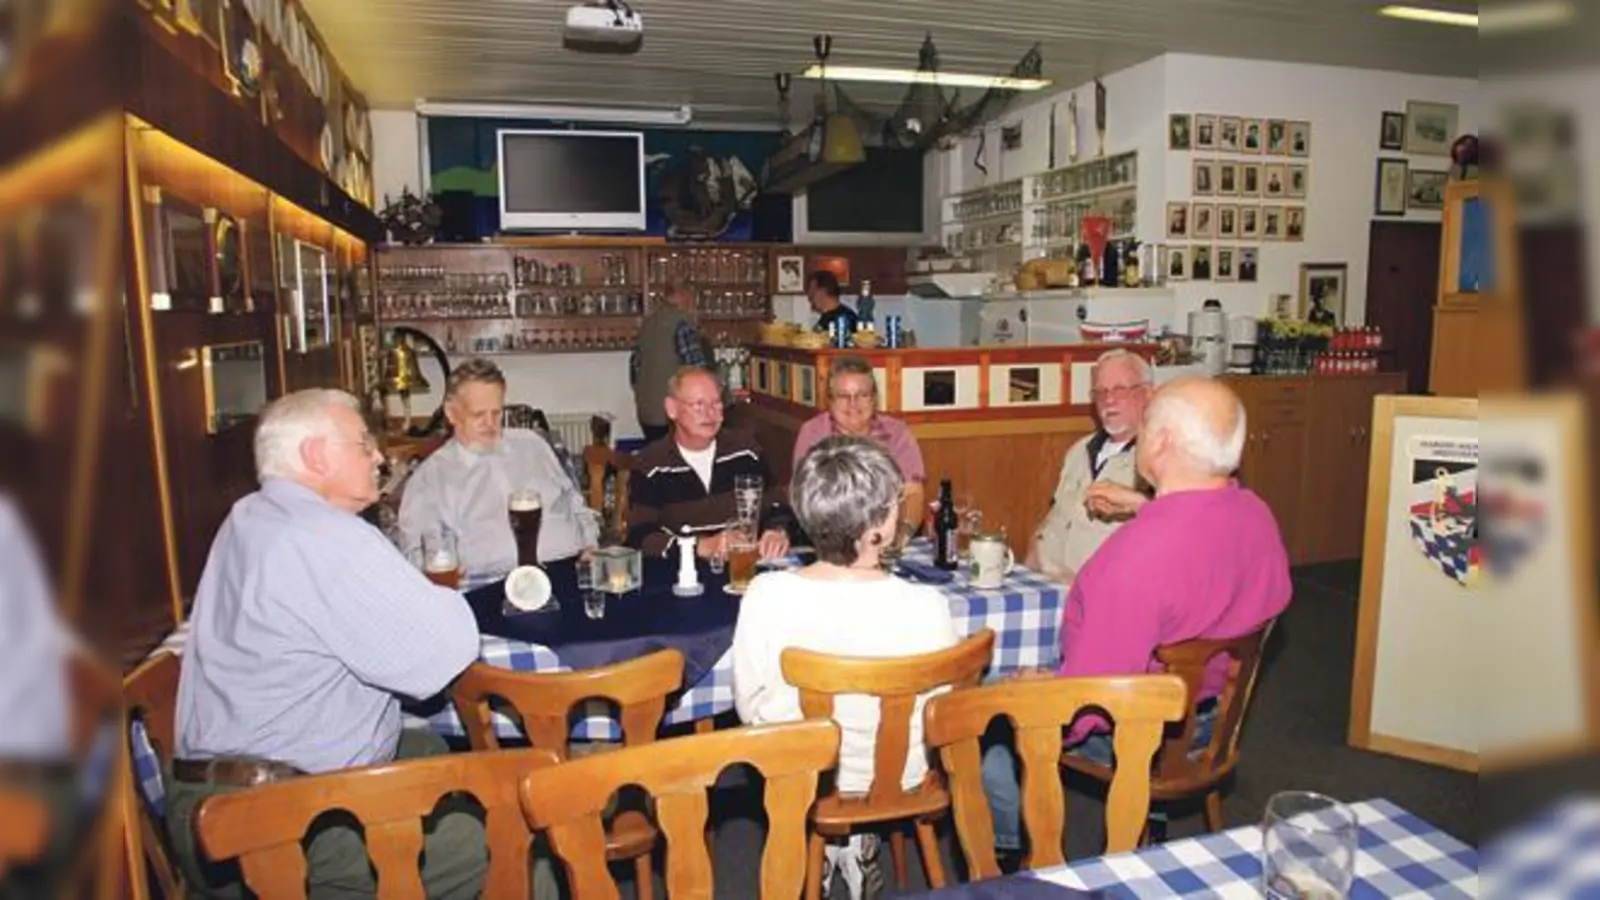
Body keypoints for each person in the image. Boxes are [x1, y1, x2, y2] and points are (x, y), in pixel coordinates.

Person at [168, 389, 489, 899]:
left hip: (204, 803)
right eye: (363, 444)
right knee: (498, 839)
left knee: (431, 748)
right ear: (315, 455)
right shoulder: (322, 534)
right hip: (268, 828)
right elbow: (442, 654)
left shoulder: (249, 515)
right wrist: (437, 595)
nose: (379, 456)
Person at [982, 377, 1292, 863]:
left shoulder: (1132, 562)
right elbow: (1206, 542)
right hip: (1213, 725)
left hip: (1146, 735)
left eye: (1147, 424)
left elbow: (1083, 708)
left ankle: (1007, 857)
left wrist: (1040, 689)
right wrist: (1146, 505)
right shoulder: (1257, 515)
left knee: (982, 709)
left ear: (1163, 442)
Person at [732, 435, 960, 899]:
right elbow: (943, 713)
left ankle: (843, 842)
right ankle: (854, 842)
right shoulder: (926, 605)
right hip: (901, 777)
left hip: (802, 772)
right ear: (877, 527)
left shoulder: (766, 595)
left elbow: (748, 707)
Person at [399, 359, 598, 588]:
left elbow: (575, 504)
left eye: (496, 413)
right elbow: (417, 557)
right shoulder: (432, 476)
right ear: (451, 413)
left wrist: (590, 544)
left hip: (570, 574)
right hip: (493, 586)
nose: (490, 424)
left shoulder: (533, 445)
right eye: (478, 415)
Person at [627, 366, 791, 560]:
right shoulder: (651, 464)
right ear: (672, 409)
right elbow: (640, 537)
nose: (710, 413)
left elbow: (778, 507)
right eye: (698, 404)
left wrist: (777, 531)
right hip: (682, 575)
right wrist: (700, 546)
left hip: (743, 568)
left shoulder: (746, 452)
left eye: (716, 403)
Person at [1026, 349, 1153, 582]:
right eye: (1100, 392)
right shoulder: (1079, 450)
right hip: (1043, 585)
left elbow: (1177, 524)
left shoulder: (1159, 457)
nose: (1109, 399)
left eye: (1119, 389)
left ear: (1147, 394)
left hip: (1101, 598)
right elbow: (1054, 516)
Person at [791, 356, 926, 538]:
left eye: (862, 395)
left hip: (888, 535)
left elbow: (913, 493)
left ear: (874, 399)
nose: (853, 404)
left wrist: (903, 534)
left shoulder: (897, 433)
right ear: (829, 400)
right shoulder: (813, 432)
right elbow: (804, 498)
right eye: (843, 396)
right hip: (828, 539)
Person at [631, 282, 713, 444]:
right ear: (682, 296)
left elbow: (633, 372)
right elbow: (698, 372)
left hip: (647, 413)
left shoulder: (647, 324)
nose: (694, 303)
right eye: (692, 298)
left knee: (659, 462)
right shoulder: (682, 324)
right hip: (674, 415)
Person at [807, 270, 859, 335]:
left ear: (822, 291)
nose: (809, 296)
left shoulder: (845, 319)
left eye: (812, 291)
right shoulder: (826, 317)